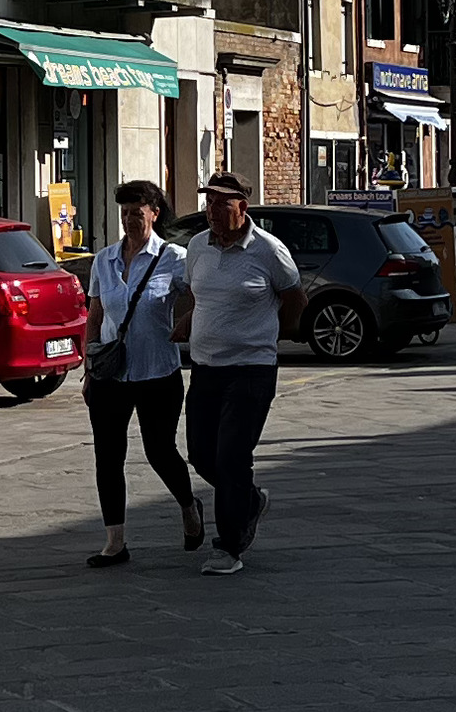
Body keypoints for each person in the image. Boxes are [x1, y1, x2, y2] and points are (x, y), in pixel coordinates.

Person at [172, 172, 303, 574]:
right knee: (200, 454)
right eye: (208, 202)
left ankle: (228, 545)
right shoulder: (197, 247)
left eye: (221, 204)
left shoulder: (268, 250)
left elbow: (295, 298)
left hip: (252, 369)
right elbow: (199, 296)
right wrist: (188, 324)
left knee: (231, 457)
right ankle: (247, 499)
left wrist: (274, 335)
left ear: (242, 207)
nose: (211, 211)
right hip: (206, 367)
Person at [83, 179, 202, 566]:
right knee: (108, 456)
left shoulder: (174, 258)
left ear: (154, 212)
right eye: (124, 213)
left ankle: (188, 505)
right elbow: (96, 312)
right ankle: (114, 542)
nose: (130, 220)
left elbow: (202, 296)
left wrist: (187, 318)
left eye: (137, 212)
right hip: (110, 375)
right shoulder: (104, 260)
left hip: (157, 373)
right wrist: (88, 362)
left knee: (159, 450)